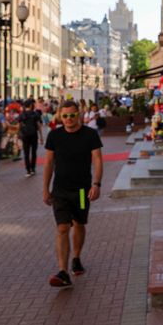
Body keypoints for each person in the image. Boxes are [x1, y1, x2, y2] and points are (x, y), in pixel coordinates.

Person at [42, 100, 103, 288]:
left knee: (79, 223)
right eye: (65, 116)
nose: (68, 119)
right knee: (62, 227)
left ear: (79, 115)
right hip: (60, 190)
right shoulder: (54, 135)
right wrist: (45, 188)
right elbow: (49, 163)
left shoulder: (90, 135)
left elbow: (98, 160)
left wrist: (97, 184)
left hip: (83, 191)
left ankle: (76, 258)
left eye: (72, 115)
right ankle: (63, 272)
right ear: (60, 116)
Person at [17, 99, 44, 176]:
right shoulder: (35, 114)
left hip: (25, 135)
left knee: (26, 153)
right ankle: (33, 169)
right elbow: (39, 126)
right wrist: (41, 137)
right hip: (33, 134)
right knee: (33, 152)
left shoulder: (22, 114)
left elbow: (18, 126)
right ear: (31, 105)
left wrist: (18, 135)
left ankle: (28, 170)